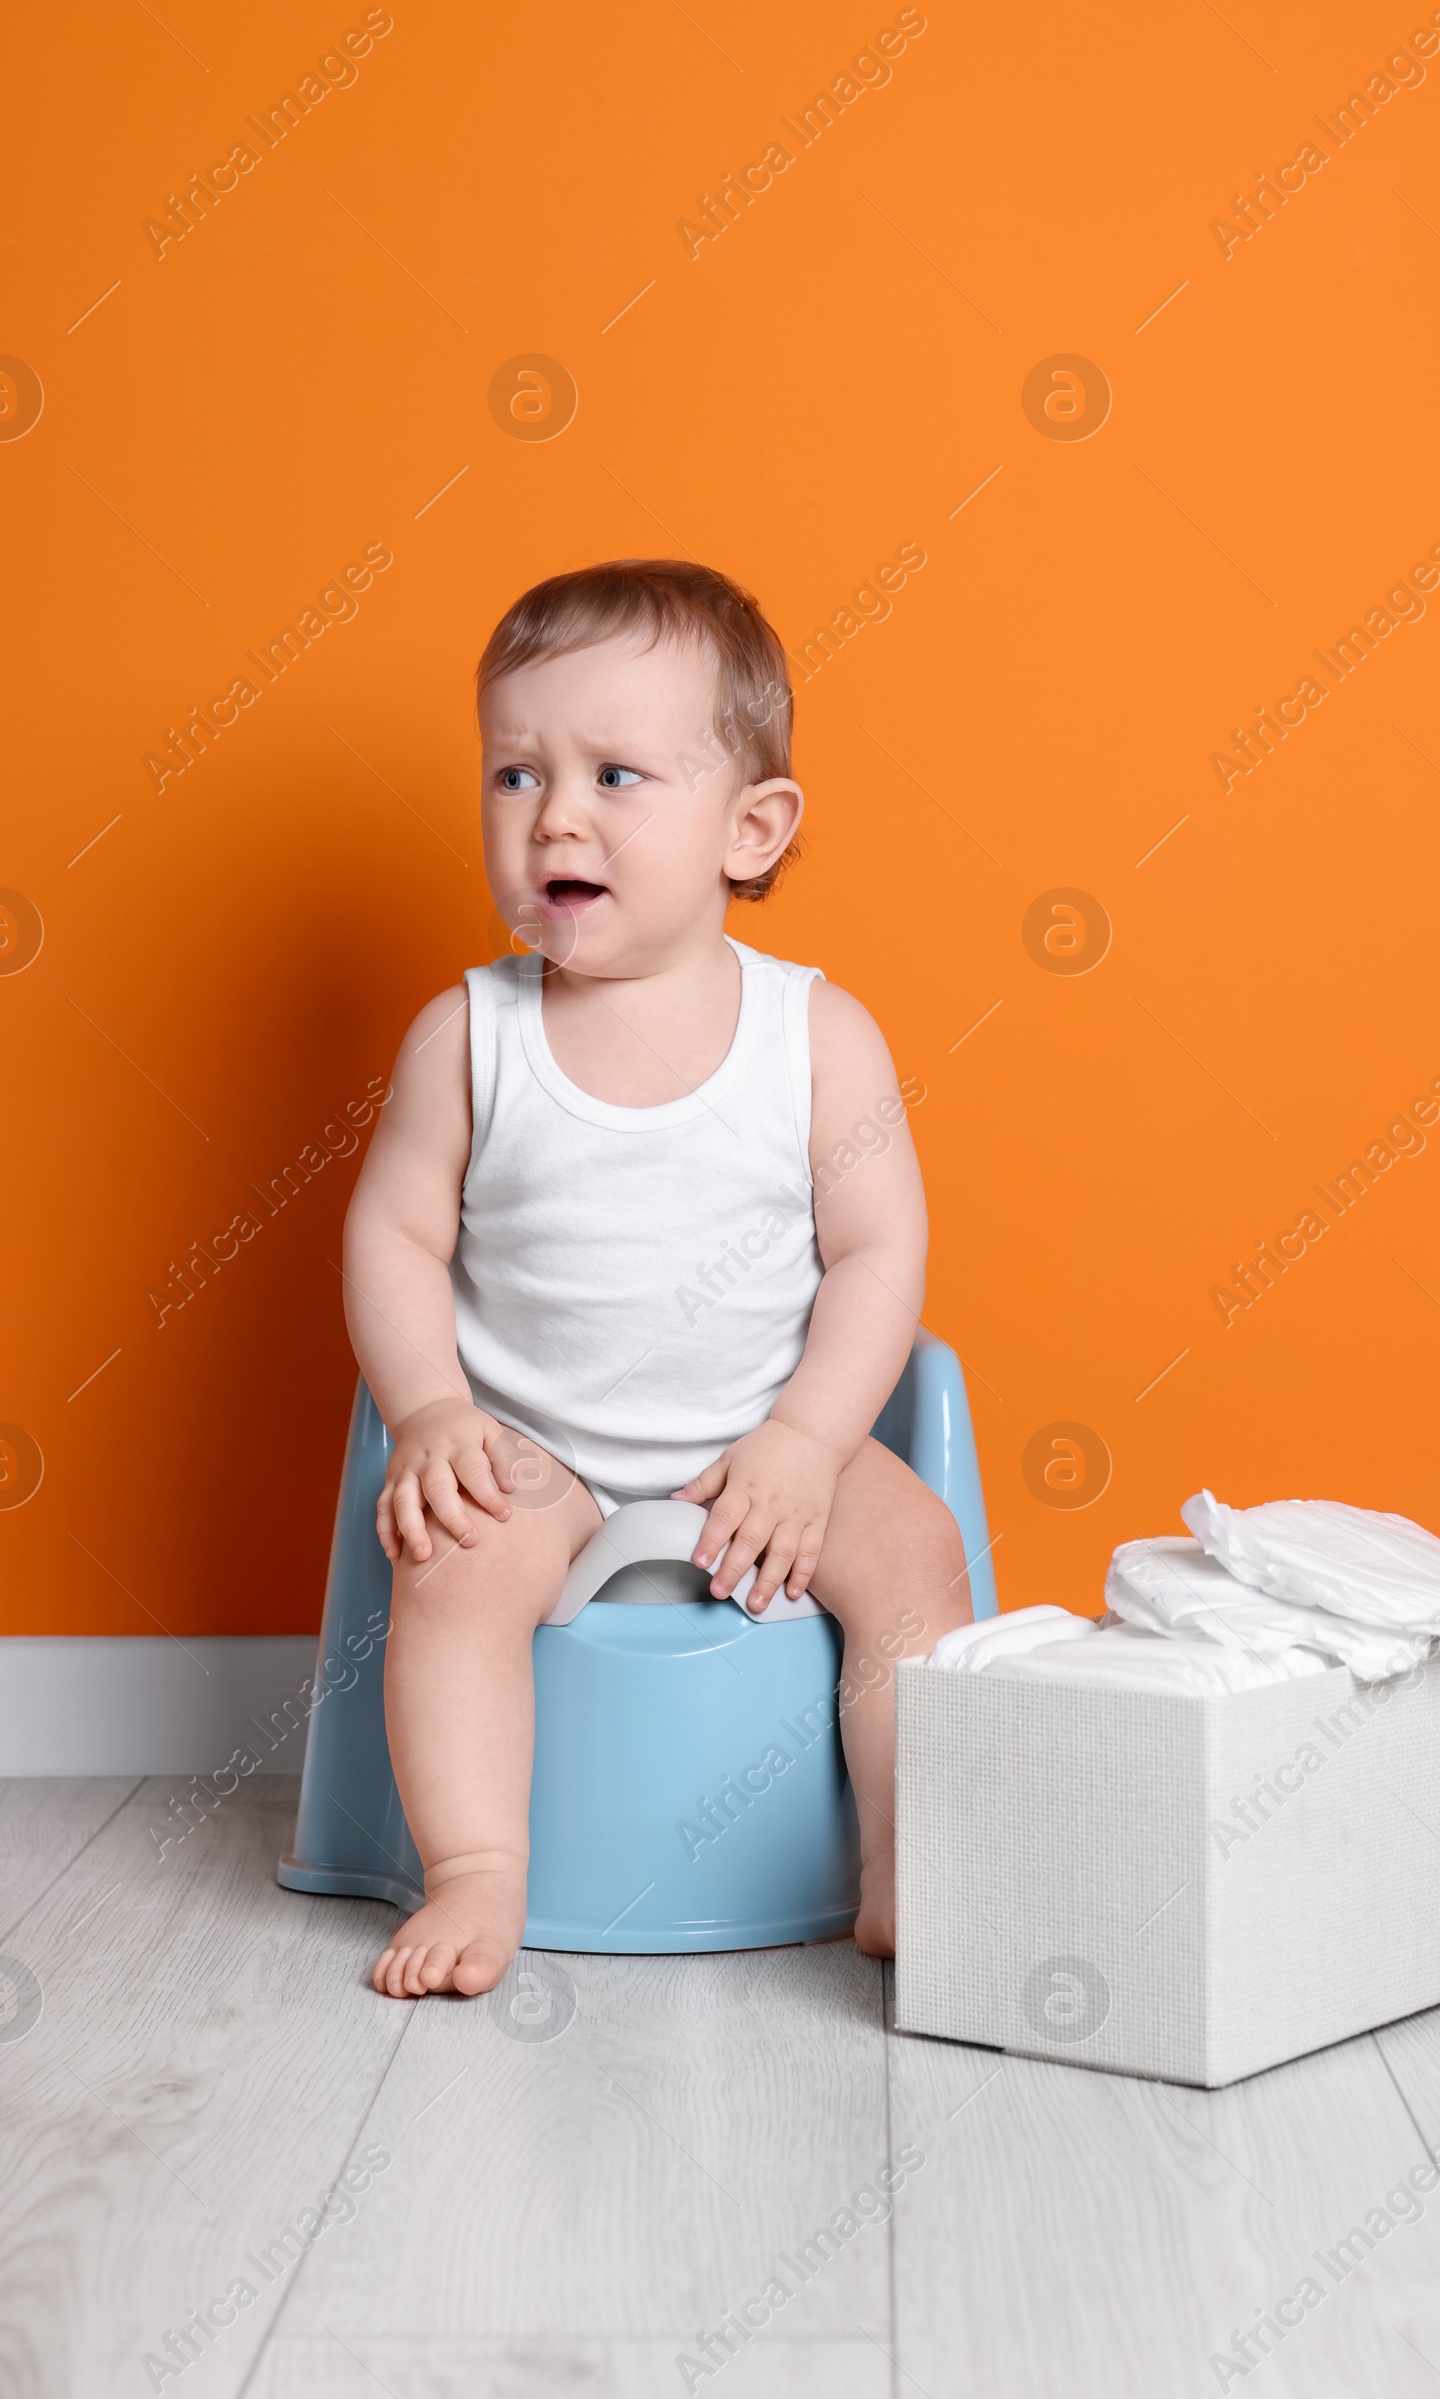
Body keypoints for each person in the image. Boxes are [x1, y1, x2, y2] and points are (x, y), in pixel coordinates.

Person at [343, 558, 972, 1999]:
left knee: (918, 1561)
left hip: (763, 1440)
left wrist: (811, 1445)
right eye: (514, 775)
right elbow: (393, 1238)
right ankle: (480, 1868)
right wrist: (436, 1413)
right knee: (453, 1568)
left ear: (752, 829)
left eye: (615, 774)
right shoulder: (469, 1037)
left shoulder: (817, 1037)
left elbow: (880, 1251)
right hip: (537, 1451)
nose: (552, 814)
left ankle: (905, 1863)